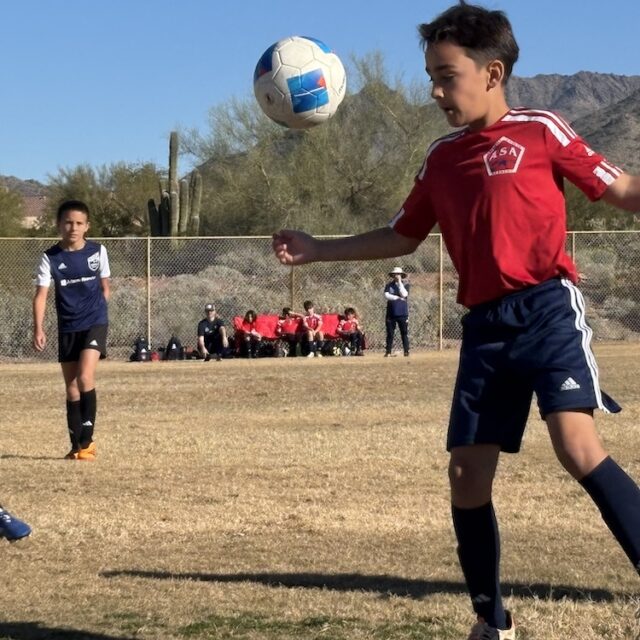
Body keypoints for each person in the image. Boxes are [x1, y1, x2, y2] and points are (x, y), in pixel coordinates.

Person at [272, 3, 640, 638]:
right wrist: (318, 248)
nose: (437, 92)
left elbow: (622, 189)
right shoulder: (441, 159)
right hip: (485, 328)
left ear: (492, 72)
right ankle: (491, 621)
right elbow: (402, 235)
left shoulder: (541, 130)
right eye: (431, 79)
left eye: (447, 77)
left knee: (577, 446)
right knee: (466, 476)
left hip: (548, 310)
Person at [33, 200, 110, 461]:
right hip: (68, 326)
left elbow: (105, 287)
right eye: (68, 222)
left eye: (79, 223)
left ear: (87, 226)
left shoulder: (98, 251)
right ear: (59, 225)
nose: (73, 228)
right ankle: (76, 446)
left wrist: (99, 312)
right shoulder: (50, 257)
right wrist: (38, 328)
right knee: (72, 388)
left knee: (85, 377)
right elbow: (41, 296)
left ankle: (87, 443)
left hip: (94, 322)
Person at [384, 267, 410, 357]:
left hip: (402, 313)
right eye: (395, 274)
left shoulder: (405, 285)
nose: (397, 276)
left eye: (398, 274)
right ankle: (388, 351)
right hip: (391, 313)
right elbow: (387, 295)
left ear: (401, 275)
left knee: (404, 332)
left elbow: (404, 294)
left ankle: (406, 351)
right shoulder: (389, 285)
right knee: (390, 333)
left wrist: (399, 283)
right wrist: (397, 297)